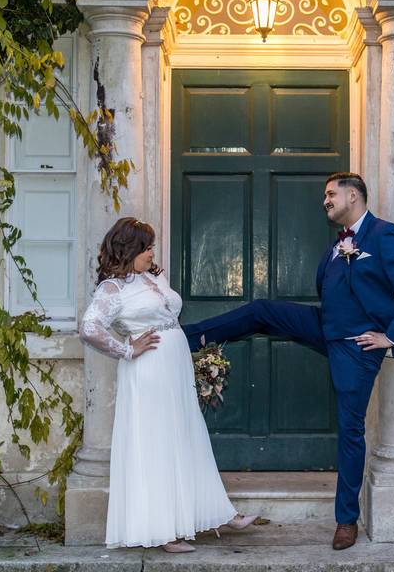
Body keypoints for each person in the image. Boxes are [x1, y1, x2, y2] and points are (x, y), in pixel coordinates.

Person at [182, 172, 394, 550]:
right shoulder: (337, 245)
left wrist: (390, 337)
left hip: (356, 346)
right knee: (263, 310)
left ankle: (346, 520)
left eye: (331, 194)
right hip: (324, 325)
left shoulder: (383, 233)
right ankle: (189, 337)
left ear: (354, 195)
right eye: (325, 195)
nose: (326, 201)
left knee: (350, 430)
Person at [79, 217, 258, 553]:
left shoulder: (152, 277)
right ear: (128, 249)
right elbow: (90, 328)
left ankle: (217, 513)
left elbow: (169, 315)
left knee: (187, 438)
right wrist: (126, 349)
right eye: (146, 247)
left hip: (174, 369)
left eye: (151, 246)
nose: (151, 252)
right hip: (148, 373)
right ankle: (163, 531)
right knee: (157, 445)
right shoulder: (112, 289)